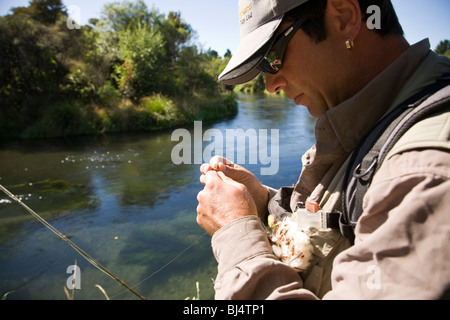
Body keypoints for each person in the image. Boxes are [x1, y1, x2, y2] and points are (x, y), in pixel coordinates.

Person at [196, 0, 450, 299]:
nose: (270, 84)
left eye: (272, 57)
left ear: (344, 17)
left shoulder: (426, 171)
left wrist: (236, 233)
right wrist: (266, 203)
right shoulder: (383, 115)